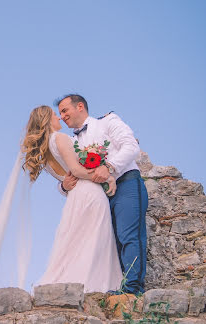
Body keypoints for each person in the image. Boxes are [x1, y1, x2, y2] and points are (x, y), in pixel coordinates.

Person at [23, 105, 123, 293]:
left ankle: (80, 284)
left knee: (77, 241)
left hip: (75, 197)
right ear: (46, 119)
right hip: (89, 192)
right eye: (55, 115)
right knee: (95, 238)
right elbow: (76, 171)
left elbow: (66, 179)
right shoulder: (59, 138)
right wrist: (108, 176)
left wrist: (63, 186)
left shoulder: (43, 152)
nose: (59, 118)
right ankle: (96, 285)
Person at [56, 94, 147, 294]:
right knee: (108, 243)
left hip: (126, 184)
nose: (61, 117)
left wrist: (109, 166)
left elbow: (131, 146)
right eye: (60, 113)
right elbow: (70, 174)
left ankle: (132, 289)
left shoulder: (108, 122)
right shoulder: (71, 142)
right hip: (97, 197)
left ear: (80, 106)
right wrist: (64, 186)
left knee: (128, 235)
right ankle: (112, 286)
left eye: (64, 111)